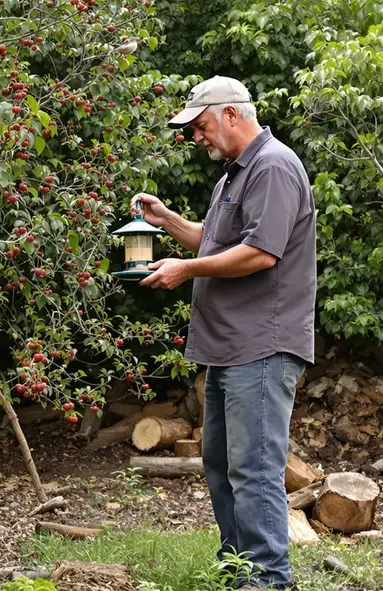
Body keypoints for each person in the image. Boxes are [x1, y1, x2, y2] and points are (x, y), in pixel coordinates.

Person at [131, 75, 316, 590]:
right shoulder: (234, 175)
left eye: (201, 126)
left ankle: (267, 579)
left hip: (262, 344)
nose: (196, 137)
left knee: (254, 467)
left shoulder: (274, 166)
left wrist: (185, 271)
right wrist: (167, 220)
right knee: (219, 459)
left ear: (232, 114)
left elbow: (260, 253)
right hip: (230, 347)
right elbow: (213, 242)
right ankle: (240, 568)